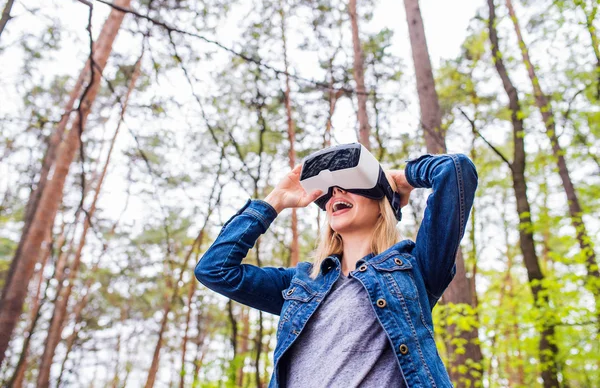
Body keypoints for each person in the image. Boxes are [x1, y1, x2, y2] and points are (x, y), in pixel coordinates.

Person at [194, 146, 478, 388]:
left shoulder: (416, 270)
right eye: (329, 192)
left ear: (382, 204)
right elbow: (215, 270)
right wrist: (275, 201)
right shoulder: (302, 282)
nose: (336, 192)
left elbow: (455, 170)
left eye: (352, 183)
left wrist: (397, 178)